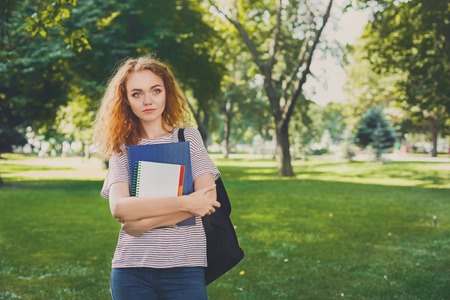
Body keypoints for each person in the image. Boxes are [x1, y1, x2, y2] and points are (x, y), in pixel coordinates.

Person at [93, 54, 221, 300]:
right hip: (131, 271)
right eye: (137, 93)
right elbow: (120, 208)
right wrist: (186, 203)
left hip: (185, 268)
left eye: (155, 90)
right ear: (126, 100)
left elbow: (207, 198)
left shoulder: (187, 137)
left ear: (167, 93)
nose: (148, 100)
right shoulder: (122, 147)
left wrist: (143, 223)